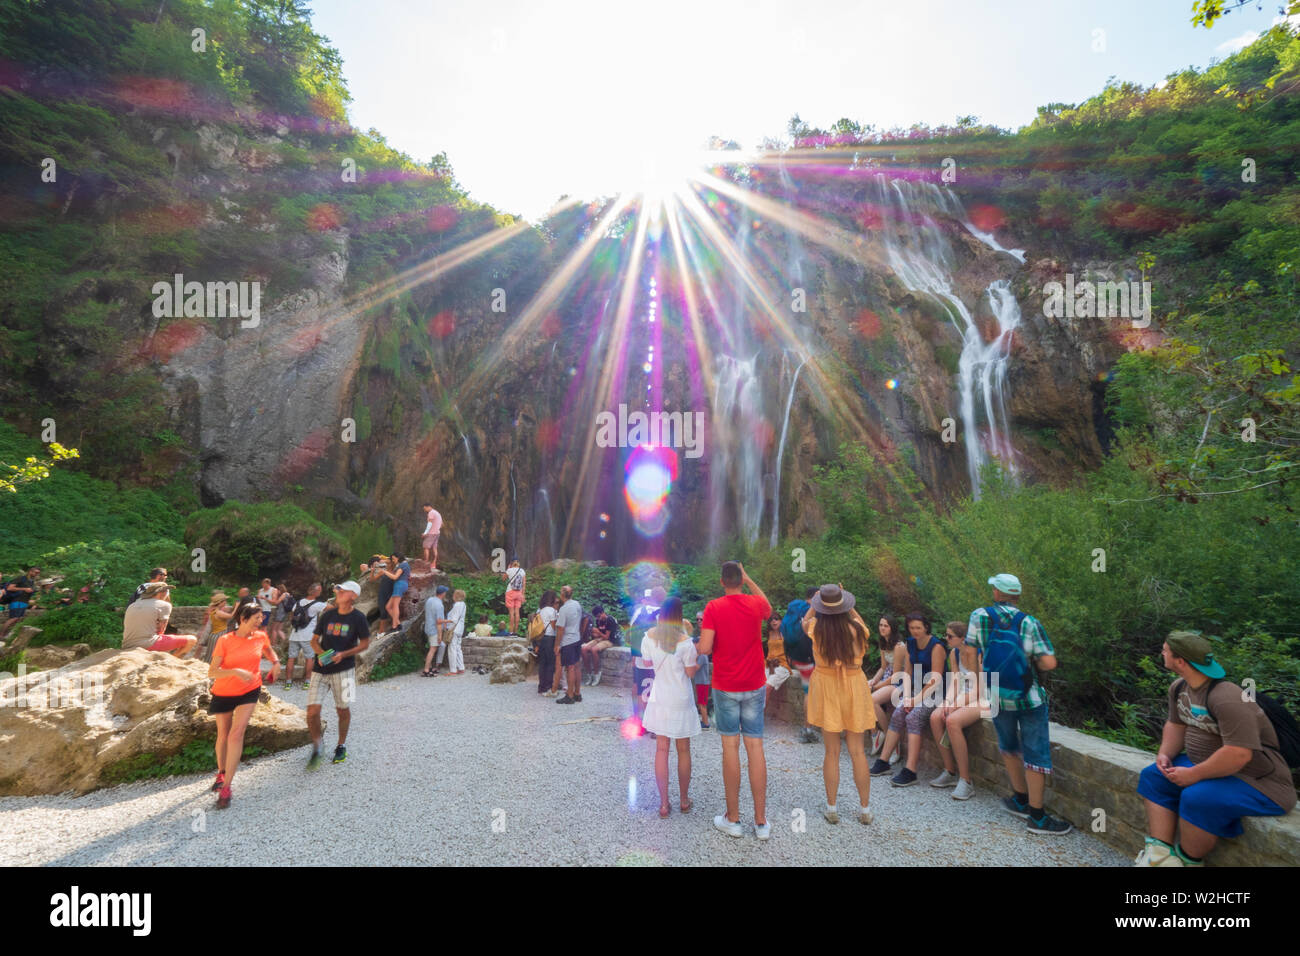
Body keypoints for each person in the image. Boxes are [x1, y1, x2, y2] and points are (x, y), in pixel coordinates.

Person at [1135, 631, 1297, 866]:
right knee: (1154, 776)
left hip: (1259, 780)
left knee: (1197, 797)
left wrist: (1193, 774)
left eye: (1165, 651)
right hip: (1212, 767)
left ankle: (1187, 862)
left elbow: (1239, 753)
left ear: (1180, 661)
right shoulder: (1180, 688)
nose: (1162, 654)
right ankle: (1159, 857)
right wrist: (1165, 754)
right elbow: (1176, 724)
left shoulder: (1227, 697)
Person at [967, 573, 1071, 834]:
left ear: (997, 593)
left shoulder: (980, 616)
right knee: (1035, 753)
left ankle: (1019, 799)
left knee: (1008, 746)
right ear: (1016, 595)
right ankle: (1037, 817)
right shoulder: (1029, 622)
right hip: (1028, 698)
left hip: (996, 696)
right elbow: (1049, 663)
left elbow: (969, 652)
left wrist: (981, 686)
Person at [699, 561, 773, 840]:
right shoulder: (755, 604)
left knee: (730, 747)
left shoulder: (714, 608)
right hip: (754, 684)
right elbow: (768, 606)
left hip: (726, 685)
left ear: (721, 582)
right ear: (741, 579)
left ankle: (733, 820)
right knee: (755, 748)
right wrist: (749, 577)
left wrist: (695, 645)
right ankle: (761, 823)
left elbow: (705, 648)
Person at [803, 584, 875, 825]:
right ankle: (865, 810)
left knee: (831, 751)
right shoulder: (856, 628)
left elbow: (805, 621)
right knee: (857, 751)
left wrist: (815, 603)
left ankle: (832, 807)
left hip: (827, 687)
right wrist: (848, 604)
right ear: (845, 606)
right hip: (854, 684)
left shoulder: (816, 628)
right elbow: (862, 624)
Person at [207, 603, 279, 808]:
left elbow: (269, 650)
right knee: (223, 734)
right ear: (243, 618)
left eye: (261, 618)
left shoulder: (261, 636)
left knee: (236, 734)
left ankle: (227, 787)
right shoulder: (225, 641)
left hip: (250, 689)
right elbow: (212, 672)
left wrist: (276, 663)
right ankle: (221, 773)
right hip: (224, 691)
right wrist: (235, 671)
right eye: (257, 618)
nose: (261, 621)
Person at [868, 612, 944, 787]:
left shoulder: (936, 646)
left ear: (926, 627)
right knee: (897, 714)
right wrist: (908, 696)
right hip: (915, 690)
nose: (915, 631)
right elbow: (907, 673)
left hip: (935, 693)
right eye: (911, 628)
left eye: (918, 627)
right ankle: (883, 761)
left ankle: (911, 771)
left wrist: (915, 699)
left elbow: (936, 678)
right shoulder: (910, 644)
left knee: (913, 717)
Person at [642, 597, 701, 816]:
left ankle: (664, 803)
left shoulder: (649, 637)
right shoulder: (685, 641)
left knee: (661, 749)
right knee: (683, 750)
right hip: (680, 697)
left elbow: (647, 663)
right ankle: (684, 800)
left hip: (660, 697)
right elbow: (691, 672)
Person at [307, 581, 370, 768]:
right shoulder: (327, 615)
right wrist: (321, 654)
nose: (338, 591)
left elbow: (365, 644)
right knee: (312, 712)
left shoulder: (359, 618)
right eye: (338, 589)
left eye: (343, 590)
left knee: (343, 709)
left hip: (346, 670)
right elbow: (313, 641)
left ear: (353, 596)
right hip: (321, 669)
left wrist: (344, 654)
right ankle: (318, 745)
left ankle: (341, 745)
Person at [929, 621, 988, 800]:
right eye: (946, 635)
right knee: (935, 717)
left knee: (952, 720)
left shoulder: (979, 654)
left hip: (984, 697)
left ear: (963, 638)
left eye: (950, 636)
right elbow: (956, 682)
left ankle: (966, 781)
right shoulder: (954, 653)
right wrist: (948, 701)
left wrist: (955, 705)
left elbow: (980, 688)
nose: (946, 639)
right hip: (962, 695)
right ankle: (949, 770)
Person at [783, 587, 820, 743]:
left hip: (797, 657)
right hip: (808, 657)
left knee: (809, 691)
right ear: (814, 597)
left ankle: (809, 728)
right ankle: (808, 729)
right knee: (809, 693)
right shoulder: (812, 612)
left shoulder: (795, 608)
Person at [121, 581, 197, 657]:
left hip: (127, 645)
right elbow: (161, 631)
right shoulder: (164, 605)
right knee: (192, 639)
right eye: (166, 592)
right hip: (148, 644)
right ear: (161, 593)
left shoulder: (132, 605)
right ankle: (174, 659)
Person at [867, 615, 902, 756]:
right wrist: (872, 681)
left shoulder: (899, 647)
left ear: (892, 628)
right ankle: (875, 733)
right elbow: (883, 667)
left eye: (886, 625)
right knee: (860, 693)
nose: (882, 628)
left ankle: (890, 739)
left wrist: (877, 686)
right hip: (887, 678)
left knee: (871, 700)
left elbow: (897, 675)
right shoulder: (883, 643)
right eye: (881, 625)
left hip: (899, 682)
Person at [284, 583, 326, 689]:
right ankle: (307, 681)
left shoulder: (298, 603)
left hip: (295, 635)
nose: (320, 592)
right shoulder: (317, 605)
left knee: (291, 658)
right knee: (309, 659)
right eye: (319, 590)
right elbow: (333, 607)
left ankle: (288, 682)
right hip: (308, 637)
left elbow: (291, 617)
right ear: (315, 592)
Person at [554, 585, 583, 704]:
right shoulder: (577, 604)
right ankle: (577, 693)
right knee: (576, 666)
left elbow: (560, 629)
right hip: (577, 638)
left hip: (568, 641)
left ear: (562, 595)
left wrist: (557, 644)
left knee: (569, 668)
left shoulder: (564, 609)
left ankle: (569, 695)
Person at [0, 566, 40, 640]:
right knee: (13, 618)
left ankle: (7, 636)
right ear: (30, 571)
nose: (37, 574)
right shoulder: (21, 578)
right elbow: (10, 588)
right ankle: (1, 635)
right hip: (17, 601)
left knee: (17, 619)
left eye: (38, 573)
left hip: (24, 601)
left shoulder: (31, 581)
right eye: (36, 572)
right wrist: (25, 589)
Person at [581, 604, 616, 685]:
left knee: (594, 650)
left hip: (610, 640)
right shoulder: (598, 620)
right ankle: (589, 674)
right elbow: (598, 635)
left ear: (603, 612)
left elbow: (607, 637)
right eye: (596, 617)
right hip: (601, 638)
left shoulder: (610, 620)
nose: (598, 618)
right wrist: (594, 634)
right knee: (583, 649)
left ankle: (597, 673)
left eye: (599, 616)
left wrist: (598, 632)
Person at [533, 590, 560, 695]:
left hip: (541, 639)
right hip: (550, 638)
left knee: (542, 663)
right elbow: (554, 627)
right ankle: (548, 686)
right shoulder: (551, 611)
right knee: (550, 663)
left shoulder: (541, 610)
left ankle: (541, 686)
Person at [196, 591, 233, 663]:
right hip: (215, 633)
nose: (226, 602)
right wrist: (237, 607)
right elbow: (231, 616)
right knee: (211, 654)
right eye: (225, 600)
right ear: (220, 602)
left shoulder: (214, 609)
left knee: (211, 654)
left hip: (213, 633)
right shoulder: (217, 611)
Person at [421, 585, 450, 677]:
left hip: (427, 628)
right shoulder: (439, 605)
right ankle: (426, 670)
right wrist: (448, 621)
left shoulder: (430, 600)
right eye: (445, 592)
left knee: (436, 647)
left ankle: (430, 667)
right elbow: (439, 621)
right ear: (443, 594)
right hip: (434, 630)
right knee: (432, 649)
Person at [378, 553, 410, 634]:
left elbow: (395, 577)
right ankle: (398, 624)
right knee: (388, 607)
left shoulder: (403, 565)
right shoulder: (403, 564)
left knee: (395, 605)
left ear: (398, 557)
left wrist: (385, 572)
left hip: (399, 585)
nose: (393, 560)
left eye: (393, 559)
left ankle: (394, 627)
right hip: (399, 585)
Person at [445, 589, 468, 674]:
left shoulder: (457, 605)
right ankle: (461, 667)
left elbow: (454, 619)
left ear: (456, 596)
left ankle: (453, 670)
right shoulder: (463, 604)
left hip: (454, 629)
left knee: (452, 649)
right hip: (460, 629)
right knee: (458, 648)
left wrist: (445, 622)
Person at [501, 558, 526, 634]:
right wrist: (523, 594)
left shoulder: (510, 570)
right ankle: (516, 632)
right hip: (519, 593)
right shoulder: (522, 571)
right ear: (518, 563)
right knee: (517, 612)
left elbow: (503, 579)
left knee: (511, 613)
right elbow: (524, 584)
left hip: (510, 592)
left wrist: (508, 569)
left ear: (511, 564)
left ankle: (511, 632)